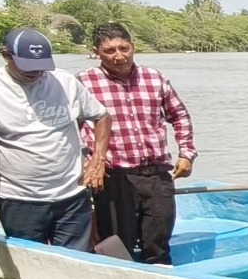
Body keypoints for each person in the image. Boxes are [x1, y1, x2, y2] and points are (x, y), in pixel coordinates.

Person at [0, 26, 109, 248]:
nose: (35, 73)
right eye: (28, 66)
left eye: (41, 67)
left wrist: (98, 159)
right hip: (20, 199)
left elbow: (102, 116)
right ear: (6, 56)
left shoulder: (64, 82)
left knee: (74, 261)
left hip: (72, 194)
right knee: (31, 261)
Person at [77, 21, 195, 264]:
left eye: (124, 48)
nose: (119, 56)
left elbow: (179, 115)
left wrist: (186, 152)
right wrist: (88, 163)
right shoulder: (82, 83)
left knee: (159, 242)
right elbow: (69, 128)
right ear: (96, 51)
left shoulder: (154, 78)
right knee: (118, 246)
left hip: (156, 175)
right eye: (110, 51)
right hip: (113, 176)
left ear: (133, 47)